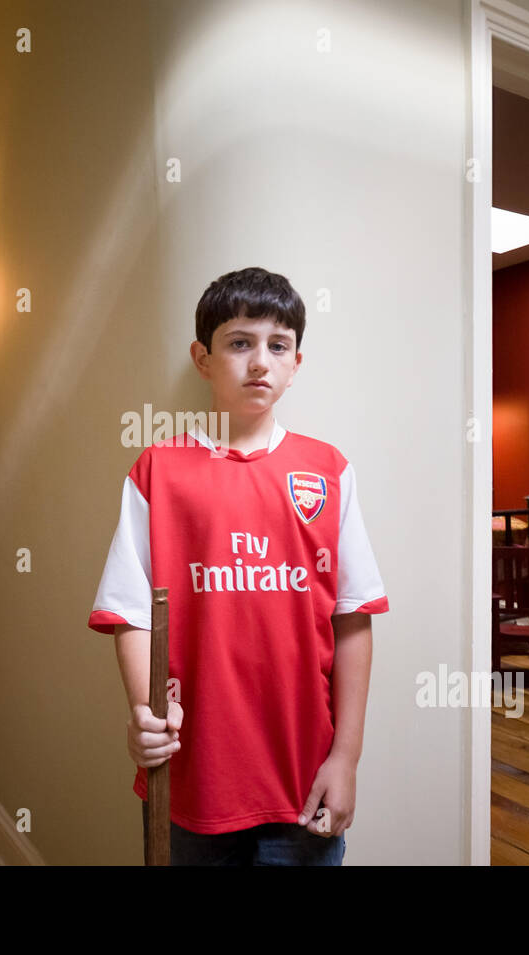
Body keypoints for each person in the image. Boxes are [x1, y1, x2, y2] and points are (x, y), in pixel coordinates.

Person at [87, 267, 390, 865]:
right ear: (202, 358)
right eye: (239, 343)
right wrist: (144, 714)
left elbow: (353, 617)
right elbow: (128, 610)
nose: (260, 362)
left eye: (278, 346)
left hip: (303, 783)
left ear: (296, 362)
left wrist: (346, 757)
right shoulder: (160, 469)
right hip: (191, 780)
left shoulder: (328, 470)